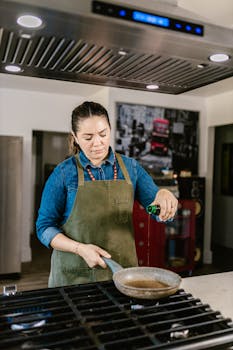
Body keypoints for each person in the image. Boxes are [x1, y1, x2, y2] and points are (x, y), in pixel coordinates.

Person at [36, 101, 178, 288]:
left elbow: (152, 208)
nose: (97, 143)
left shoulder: (131, 168)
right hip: (74, 279)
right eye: (88, 137)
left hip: (122, 277)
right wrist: (80, 249)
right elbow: (44, 228)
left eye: (103, 134)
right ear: (75, 137)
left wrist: (163, 200)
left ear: (110, 129)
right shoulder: (63, 173)